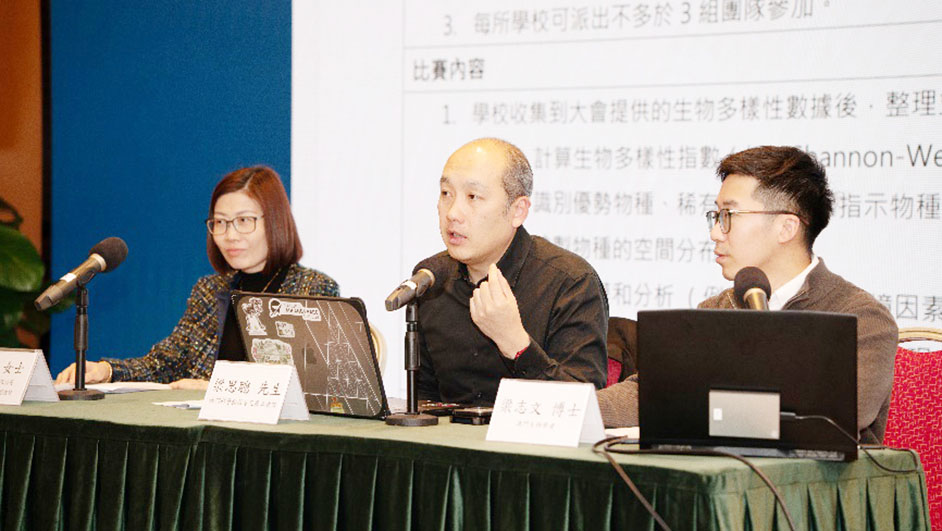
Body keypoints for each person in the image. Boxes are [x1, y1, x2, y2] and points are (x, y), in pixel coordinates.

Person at [597, 146, 897, 443]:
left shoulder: (860, 317)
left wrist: (693, 409)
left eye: (729, 215)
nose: (715, 232)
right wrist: (579, 407)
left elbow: (834, 416)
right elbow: (651, 393)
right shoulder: (717, 309)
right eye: (716, 216)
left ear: (786, 227)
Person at [54, 166, 339, 390]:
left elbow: (310, 386)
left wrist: (213, 388)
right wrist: (106, 370)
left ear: (275, 222)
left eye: (243, 221)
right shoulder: (209, 290)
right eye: (220, 222)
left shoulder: (313, 290)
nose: (229, 235)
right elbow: (166, 363)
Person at [416, 137, 608, 405]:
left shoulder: (571, 282)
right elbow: (424, 398)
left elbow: (585, 406)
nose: (453, 213)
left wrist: (515, 344)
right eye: (446, 193)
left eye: (473, 197)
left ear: (518, 211)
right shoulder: (431, 278)